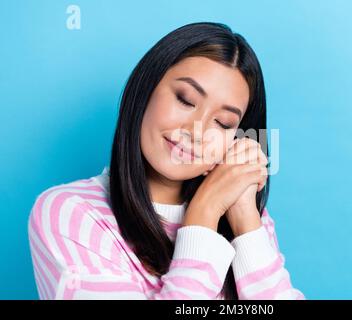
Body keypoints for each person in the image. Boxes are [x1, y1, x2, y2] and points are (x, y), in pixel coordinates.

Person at [28, 22, 305, 300]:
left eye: (223, 123)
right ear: (145, 91)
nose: (196, 130)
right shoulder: (71, 213)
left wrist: (246, 219)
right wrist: (203, 214)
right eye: (185, 100)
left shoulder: (247, 219)